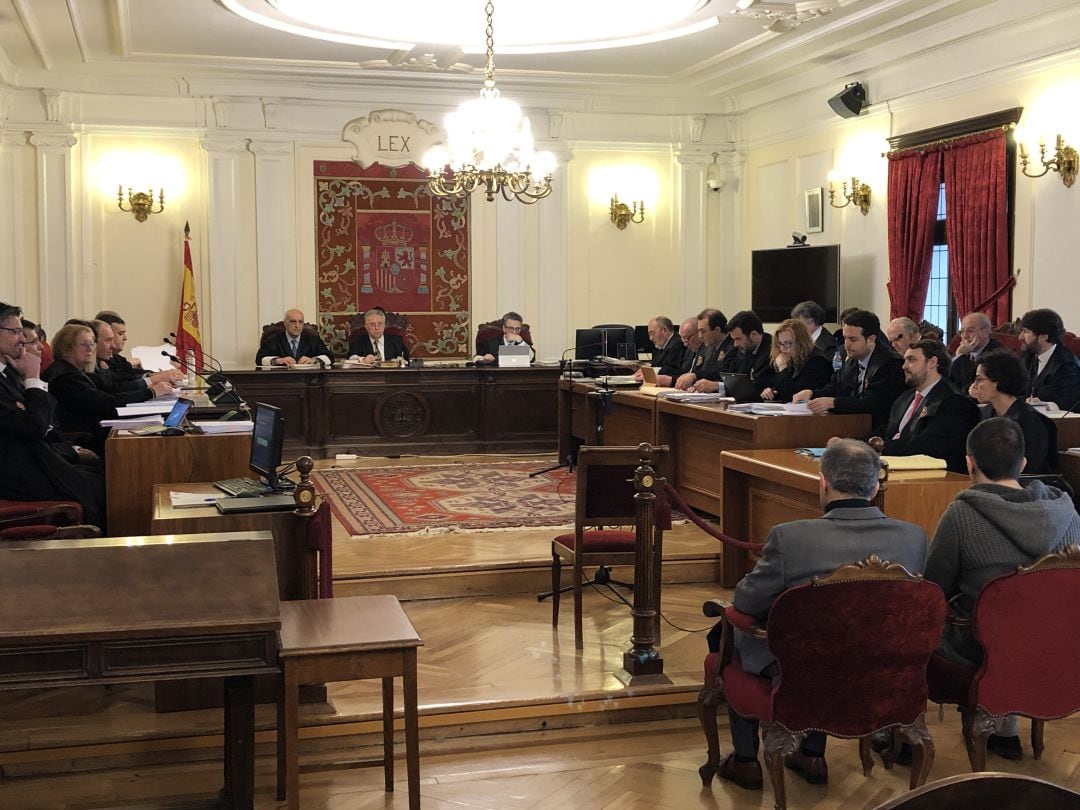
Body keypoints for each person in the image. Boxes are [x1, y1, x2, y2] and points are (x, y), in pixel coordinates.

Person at [715, 439, 929, 791]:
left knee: (734, 634)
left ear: (823, 483)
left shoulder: (791, 538)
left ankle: (745, 760)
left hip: (801, 670)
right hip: (883, 667)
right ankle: (811, 754)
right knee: (827, 637)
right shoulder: (914, 538)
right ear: (876, 487)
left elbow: (746, 600)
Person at [924, 417, 1080, 760]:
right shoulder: (1068, 513)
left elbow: (934, 587)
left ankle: (907, 734)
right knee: (1015, 616)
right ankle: (1004, 730)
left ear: (969, 462)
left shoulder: (961, 514)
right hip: (1059, 645)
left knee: (930, 620)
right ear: (1023, 463)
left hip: (982, 649)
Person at [0, 302, 106, 528]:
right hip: (17, 473)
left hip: (39, 459)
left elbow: (45, 421)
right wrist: (31, 377)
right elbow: (34, 427)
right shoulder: (17, 375)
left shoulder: (8, 374)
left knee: (111, 474)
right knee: (107, 488)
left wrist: (28, 384)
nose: (22, 339)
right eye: (15, 331)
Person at [42, 324, 173, 455]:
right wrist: (151, 392)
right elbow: (105, 402)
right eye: (84, 344)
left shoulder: (73, 371)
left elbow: (110, 392)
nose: (90, 349)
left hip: (96, 430)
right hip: (85, 438)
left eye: (92, 344)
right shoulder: (65, 377)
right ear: (66, 349)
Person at [795, 309, 907, 433]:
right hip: (854, 425)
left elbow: (873, 403)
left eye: (853, 340)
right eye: (845, 338)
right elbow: (835, 387)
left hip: (880, 430)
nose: (846, 345)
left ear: (870, 339)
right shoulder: (853, 359)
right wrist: (811, 393)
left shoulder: (890, 364)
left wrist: (834, 403)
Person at [878, 340, 979, 472]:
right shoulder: (905, 398)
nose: (904, 366)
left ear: (932, 362)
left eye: (911, 360)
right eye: (905, 360)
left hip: (933, 477)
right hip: (893, 468)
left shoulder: (954, 402)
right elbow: (888, 432)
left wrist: (876, 449)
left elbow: (927, 446)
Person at [969, 350, 1057, 474]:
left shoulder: (1030, 421)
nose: (974, 386)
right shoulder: (985, 413)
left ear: (998, 380)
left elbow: (1031, 469)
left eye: (979, 379)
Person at [693, 310, 770, 393]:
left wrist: (717, 386)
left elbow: (754, 386)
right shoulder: (742, 349)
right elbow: (729, 374)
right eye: (733, 340)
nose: (735, 344)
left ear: (753, 334)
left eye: (738, 339)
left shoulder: (770, 351)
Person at [1018, 308, 1080, 410]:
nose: (1020, 337)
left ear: (1044, 337)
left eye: (1026, 331)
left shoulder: (1067, 366)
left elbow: (1066, 403)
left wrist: (1044, 404)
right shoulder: (1027, 357)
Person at [758, 318, 832, 402]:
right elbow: (785, 389)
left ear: (800, 341)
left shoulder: (817, 361)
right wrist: (772, 392)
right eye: (780, 344)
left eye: (787, 343)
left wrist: (782, 367)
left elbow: (792, 395)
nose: (782, 349)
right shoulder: (793, 359)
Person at [676, 309, 733, 390]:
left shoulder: (733, 346)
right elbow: (704, 373)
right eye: (699, 331)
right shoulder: (707, 348)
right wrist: (695, 385)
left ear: (717, 330)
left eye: (703, 331)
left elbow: (724, 375)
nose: (700, 336)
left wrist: (696, 376)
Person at [257, 309, 333, 367]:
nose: (297, 325)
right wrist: (277, 361)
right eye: (293, 322)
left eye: (300, 322)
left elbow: (330, 357)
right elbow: (259, 359)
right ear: (285, 323)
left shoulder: (313, 339)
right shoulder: (273, 340)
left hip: (308, 381)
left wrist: (315, 360)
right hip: (281, 381)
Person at [950, 312, 1000, 393]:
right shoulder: (966, 350)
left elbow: (968, 386)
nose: (965, 336)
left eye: (970, 331)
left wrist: (960, 355)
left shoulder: (995, 354)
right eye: (962, 331)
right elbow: (949, 380)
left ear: (986, 332)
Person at [633, 316, 685, 386]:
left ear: (664, 330)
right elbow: (656, 365)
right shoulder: (660, 346)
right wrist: (644, 370)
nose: (650, 338)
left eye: (652, 333)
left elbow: (669, 370)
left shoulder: (677, 345)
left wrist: (648, 373)